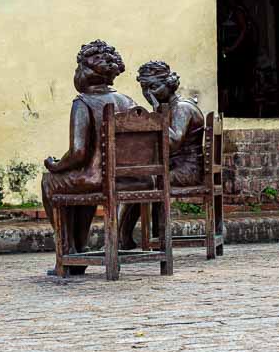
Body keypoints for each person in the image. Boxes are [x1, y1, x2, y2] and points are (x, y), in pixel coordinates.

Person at [41, 40, 137, 255]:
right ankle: (78, 248)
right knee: (76, 181)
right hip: (132, 179)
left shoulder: (83, 103)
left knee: (51, 181)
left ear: (84, 72)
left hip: (100, 177)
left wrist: (56, 165)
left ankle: (68, 251)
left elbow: (78, 153)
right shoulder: (128, 102)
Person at [118, 61, 205, 249]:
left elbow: (173, 143)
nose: (149, 94)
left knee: (138, 184)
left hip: (187, 171)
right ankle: (123, 239)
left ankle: (117, 240)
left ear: (170, 84)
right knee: (136, 179)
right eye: (144, 89)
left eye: (154, 87)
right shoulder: (170, 107)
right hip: (173, 167)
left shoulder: (182, 107)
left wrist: (155, 116)